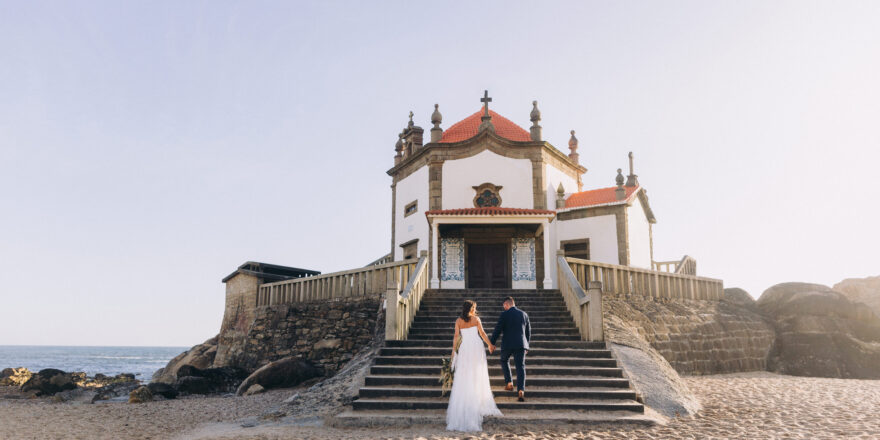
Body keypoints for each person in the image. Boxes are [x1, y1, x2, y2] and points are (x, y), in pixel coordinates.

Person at [446, 300, 502, 432]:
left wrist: (453, 352)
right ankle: (477, 398)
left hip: (465, 348)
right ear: (471, 308)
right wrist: (490, 344)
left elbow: (456, 336)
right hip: (476, 347)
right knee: (477, 372)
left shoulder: (458, 321)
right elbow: (482, 334)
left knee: (465, 373)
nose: (475, 309)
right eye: (474, 307)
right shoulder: (476, 319)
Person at [489, 296, 531, 402]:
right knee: (520, 367)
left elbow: (497, 329)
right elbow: (528, 332)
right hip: (521, 344)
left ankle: (509, 383)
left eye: (504, 305)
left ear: (507, 304)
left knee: (504, 360)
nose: (504, 307)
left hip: (507, 344)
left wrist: (491, 343)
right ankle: (521, 390)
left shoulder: (504, 314)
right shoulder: (524, 314)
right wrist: (527, 345)